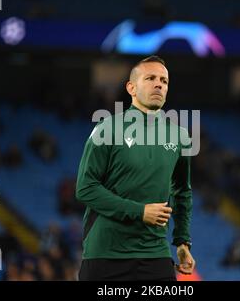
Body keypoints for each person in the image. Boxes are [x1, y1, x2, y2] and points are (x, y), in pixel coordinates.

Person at [76, 56, 195, 280]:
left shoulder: (180, 136)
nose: (159, 84)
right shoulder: (107, 128)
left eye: (164, 80)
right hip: (106, 254)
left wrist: (182, 241)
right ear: (131, 87)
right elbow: (85, 188)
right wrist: (140, 212)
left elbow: (182, 191)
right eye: (150, 78)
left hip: (155, 254)